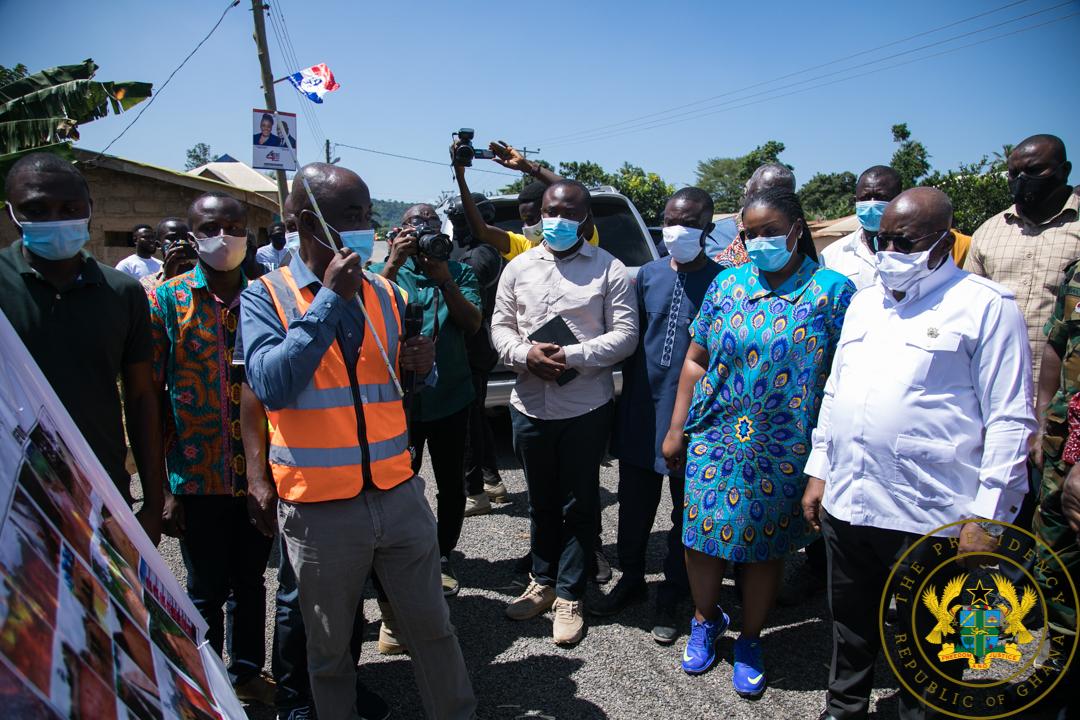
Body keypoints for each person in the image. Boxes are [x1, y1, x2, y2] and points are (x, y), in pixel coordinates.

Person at [241, 162, 476, 720]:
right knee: (328, 655)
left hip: (398, 495)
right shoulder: (265, 296)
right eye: (351, 216)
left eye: (367, 215)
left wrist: (423, 368)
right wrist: (327, 300)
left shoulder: (387, 294)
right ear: (304, 221)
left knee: (434, 633)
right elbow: (270, 384)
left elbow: (400, 385)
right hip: (321, 511)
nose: (364, 227)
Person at [802, 188, 1035, 720]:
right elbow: (836, 392)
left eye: (903, 241)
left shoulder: (985, 306)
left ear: (944, 240)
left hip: (931, 513)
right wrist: (819, 471)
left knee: (927, 638)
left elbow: (1009, 419)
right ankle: (844, 707)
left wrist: (988, 519)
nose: (888, 251)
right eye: (881, 239)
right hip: (851, 499)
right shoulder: (865, 303)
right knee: (850, 623)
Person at [662, 187, 853, 697]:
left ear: (797, 229)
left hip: (783, 446)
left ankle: (750, 637)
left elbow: (845, 379)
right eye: (750, 233)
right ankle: (705, 619)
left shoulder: (833, 292)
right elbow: (697, 359)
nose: (760, 241)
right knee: (700, 536)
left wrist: (827, 456)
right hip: (714, 435)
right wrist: (677, 427)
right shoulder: (727, 284)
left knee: (763, 545)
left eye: (771, 231)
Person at [492, 179, 638, 645]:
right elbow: (500, 325)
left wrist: (569, 358)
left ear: (585, 220)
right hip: (529, 406)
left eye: (568, 212)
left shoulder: (609, 269)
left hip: (585, 407)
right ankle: (542, 579)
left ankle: (571, 594)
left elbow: (626, 336)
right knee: (540, 500)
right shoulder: (517, 267)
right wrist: (523, 355)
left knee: (580, 502)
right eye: (549, 211)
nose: (555, 220)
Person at [0, 152, 165, 544]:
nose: (56, 218)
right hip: (12, 493)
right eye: (36, 209)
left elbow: (141, 397)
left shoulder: (122, 292)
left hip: (101, 490)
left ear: (90, 210)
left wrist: (154, 503)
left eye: (69, 208)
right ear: (12, 214)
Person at [150, 191, 275, 705]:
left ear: (249, 232)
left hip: (259, 475)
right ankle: (204, 680)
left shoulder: (269, 297)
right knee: (203, 585)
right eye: (208, 227)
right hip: (195, 476)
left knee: (250, 581)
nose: (222, 237)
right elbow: (153, 398)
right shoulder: (166, 300)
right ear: (191, 232)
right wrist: (162, 488)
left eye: (233, 226)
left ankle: (246, 673)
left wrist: (266, 477)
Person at [597, 187, 723, 645]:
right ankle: (632, 579)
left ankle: (672, 594)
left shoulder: (724, 282)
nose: (677, 230)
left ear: (707, 228)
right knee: (632, 508)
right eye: (671, 220)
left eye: (688, 223)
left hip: (694, 420)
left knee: (685, 513)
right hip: (640, 412)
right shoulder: (645, 275)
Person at [238, 382, 389, 720]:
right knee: (296, 595)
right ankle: (294, 698)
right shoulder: (267, 326)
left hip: (352, 478)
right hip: (299, 480)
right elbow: (252, 390)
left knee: (349, 593)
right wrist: (257, 475)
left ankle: (346, 685)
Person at [372, 203, 483, 595]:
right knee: (399, 482)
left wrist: (445, 280)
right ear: (398, 232)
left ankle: (442, 554)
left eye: (432, 226)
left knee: (452, 484)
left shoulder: (458, 270)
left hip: (450, 396)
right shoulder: (386, 273)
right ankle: (398, 555)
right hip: (398, 403)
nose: (425, 233)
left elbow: (472, 324)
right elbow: (364, 309)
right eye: (416, 227)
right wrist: (392, 261)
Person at [967, 133, 1079, 384]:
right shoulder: (987, 233)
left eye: (1034, 170)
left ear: (1064, 171)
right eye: (1013, 173)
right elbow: (968, 311)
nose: (1022, 180)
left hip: (1067, 392)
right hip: (998, 384)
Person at [1031, 256, 1080, 687]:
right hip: (1061, 449)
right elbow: (1056, 345)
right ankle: (1059, 669)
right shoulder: (1078, 272)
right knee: (1055, 562)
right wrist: (1044, 417)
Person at [444, 192, 510, 514]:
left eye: (461, 219)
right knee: (476, 419)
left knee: (468, 425)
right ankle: (491, 480)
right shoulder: (460, 248)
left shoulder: (485, 252)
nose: (457, 227)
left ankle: (474, 493)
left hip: (476, 348)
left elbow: (467, 290)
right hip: (462, 347)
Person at [453, 141, 600, 261]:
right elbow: (482, 231)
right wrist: (460, 175)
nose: (525, 226)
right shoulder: (526, 246)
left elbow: (576, 194)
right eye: (523, 220)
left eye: (530, 219)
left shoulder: (579, 238)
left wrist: (529, 167)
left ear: (548, 213)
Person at [821, 166, 902, 290]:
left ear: (900, 200)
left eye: (881, 198)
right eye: (865, 198)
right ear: (856, 200)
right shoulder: (830, 255)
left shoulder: (916, 252)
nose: (872, 204)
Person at [713, 163, 797, 267]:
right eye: (760, 195)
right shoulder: (713, 235)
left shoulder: (795, 237)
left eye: (779, 198)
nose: (766, 204)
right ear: (746, 192)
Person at [140, 217, 196, 299]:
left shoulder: (203, 277)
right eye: (172, 238)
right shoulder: (147, 282)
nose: (181, 242)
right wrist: (167, 275)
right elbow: (152, 307)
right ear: (158, 245)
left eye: (185, 238)